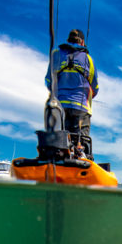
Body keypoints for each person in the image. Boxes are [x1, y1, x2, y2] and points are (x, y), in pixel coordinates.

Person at [45, 29, 99, 159]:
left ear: (68, 40)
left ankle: (59, 160)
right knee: (81, 142)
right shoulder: (88, 59)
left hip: (59, 107)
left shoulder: (56, 55)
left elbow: (48, 81)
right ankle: (82, 157)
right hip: (81, 109)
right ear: (82, 42)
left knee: (60, 142)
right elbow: (95, 87)